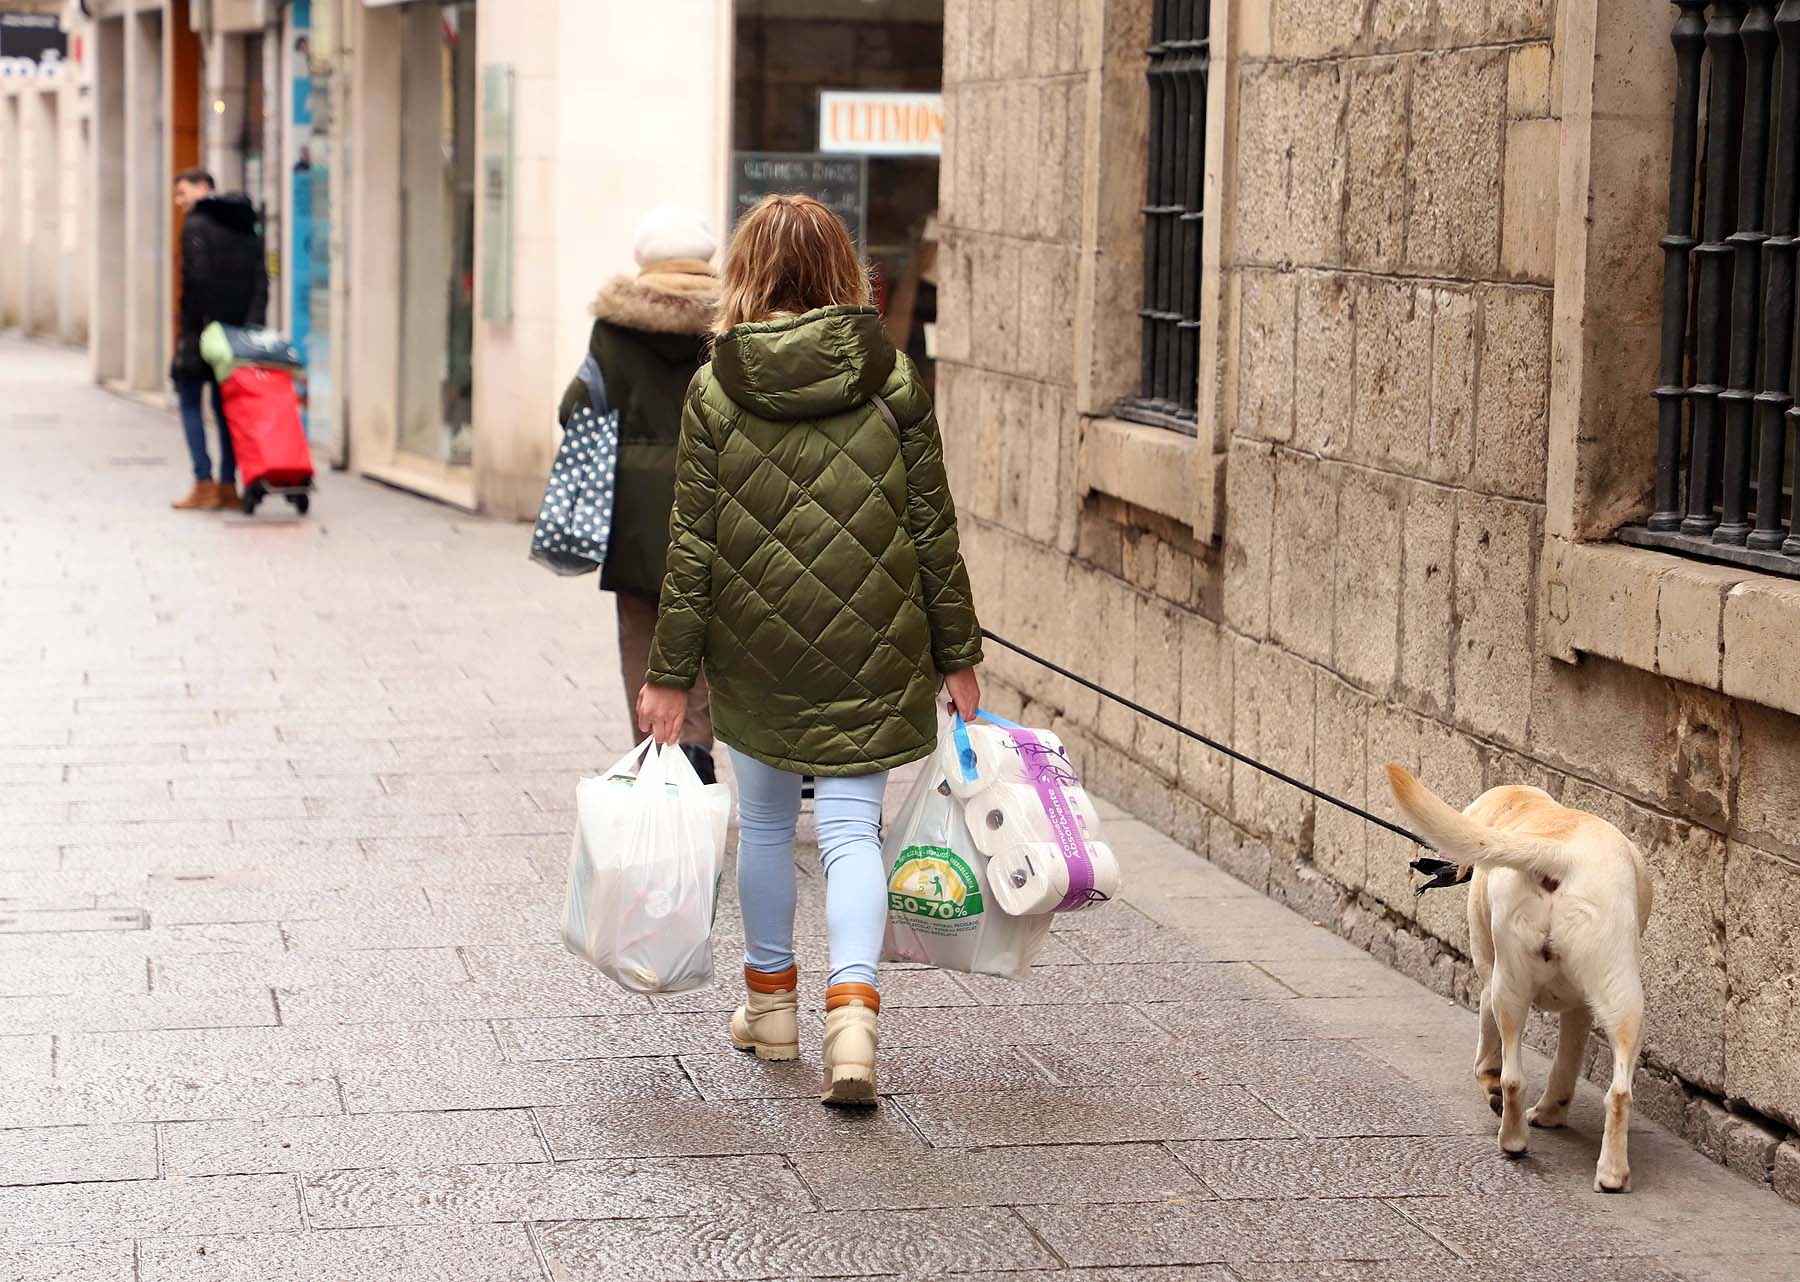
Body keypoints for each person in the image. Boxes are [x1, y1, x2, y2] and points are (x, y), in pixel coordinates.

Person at [636, 194, 984, 1106]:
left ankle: (772, 1007)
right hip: (875, 639)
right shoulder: (893, 377)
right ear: (842, 270)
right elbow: (931, 528)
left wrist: (671, 675)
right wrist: (960, 653)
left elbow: (693, 546)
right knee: (847, 829)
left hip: (754, 644)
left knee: (761, 823)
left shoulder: (718, 386)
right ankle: (854, 1019)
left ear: (747, 272)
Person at [559, 208, 721, 784]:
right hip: (715, 493)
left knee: (641, 624)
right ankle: (697, 746)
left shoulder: (614, 326)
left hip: (631, 506)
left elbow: (575, 407)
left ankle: (656, 751)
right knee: (701, 624)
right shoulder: (729, 320)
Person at [169, 169, 268, 511]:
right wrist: (251, 326)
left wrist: (192, 331)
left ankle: (203, 482)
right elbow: (261, 279)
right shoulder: (246, 223)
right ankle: (229, 485)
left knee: (189, 401)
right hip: (238, 333)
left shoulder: (196, 226)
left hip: (204, 332)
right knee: (227, 410)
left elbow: (195, 279)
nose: (179, 203)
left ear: (203, 188)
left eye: (182, 194)